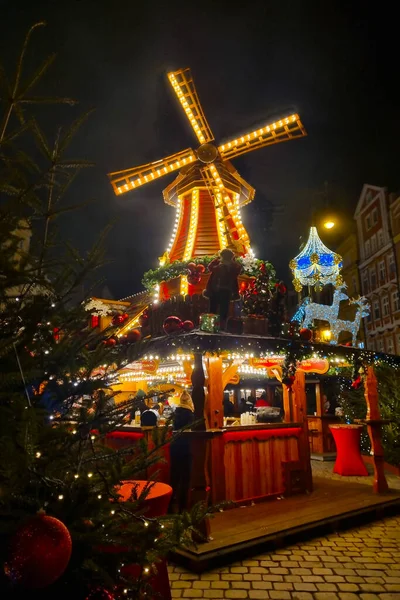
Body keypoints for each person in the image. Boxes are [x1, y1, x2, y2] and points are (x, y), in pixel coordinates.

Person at [203, 248, 241, 329]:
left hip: (216, 290)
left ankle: (211, 326)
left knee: (213, 309)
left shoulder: (219, 266)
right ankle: (222, 326)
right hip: (226, 291)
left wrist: (216, 260)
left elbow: (210, 267)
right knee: (224, 310)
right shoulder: (233, 267)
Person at [170, 390, 194, 512]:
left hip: (174, 446)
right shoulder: (190, 414)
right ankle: (183, 507)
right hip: (186, 446)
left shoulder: (176, 413)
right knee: (186, 477)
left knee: (174, 476)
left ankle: (170, 505)